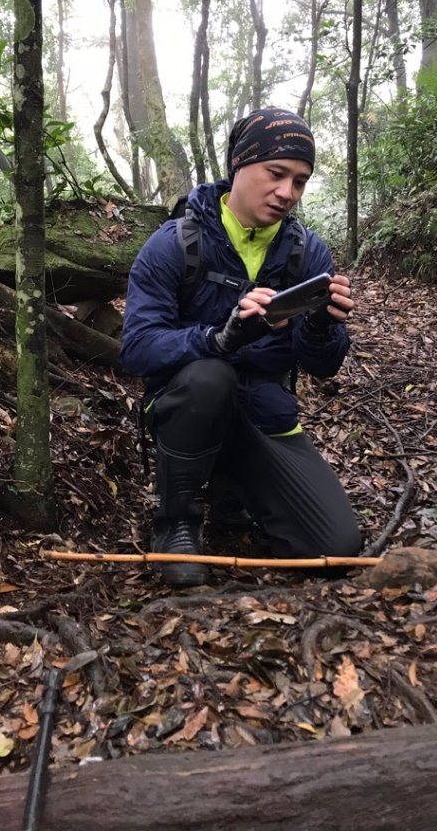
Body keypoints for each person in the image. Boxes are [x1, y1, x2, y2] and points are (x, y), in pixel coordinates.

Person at [120, 106, 362, 586]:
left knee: (335, 551)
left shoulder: (306, 254)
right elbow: (137, 348)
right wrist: (217, 338)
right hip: (189, 408)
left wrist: (319, 327)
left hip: (267, 419)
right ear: (239, 164)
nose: (286, 193)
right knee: (210, 376)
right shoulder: (176, 244)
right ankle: (177, 522)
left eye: (299, 182)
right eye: (276, 174)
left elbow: (325, 367)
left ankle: (236, 489)